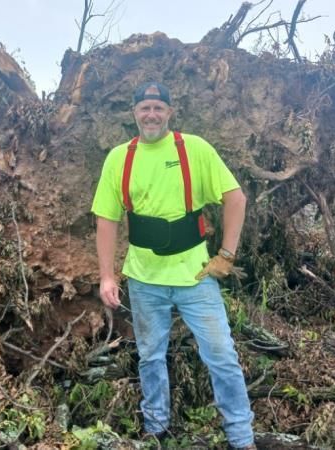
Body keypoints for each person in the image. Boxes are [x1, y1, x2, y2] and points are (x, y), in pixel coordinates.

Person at [91, 81, 256, 450]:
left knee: (222, 355)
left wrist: (226, 256)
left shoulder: (193, 149)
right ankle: (155, 428)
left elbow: (235, 199)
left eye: (158, 108)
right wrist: (106, 276)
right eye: (144, 108)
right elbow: (106, 220)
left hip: (196, 276)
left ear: (170, 112)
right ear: (134, 113)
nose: (151, 114)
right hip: (144, 279)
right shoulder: (119, 157)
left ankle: (242, 438)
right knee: (150, 356)